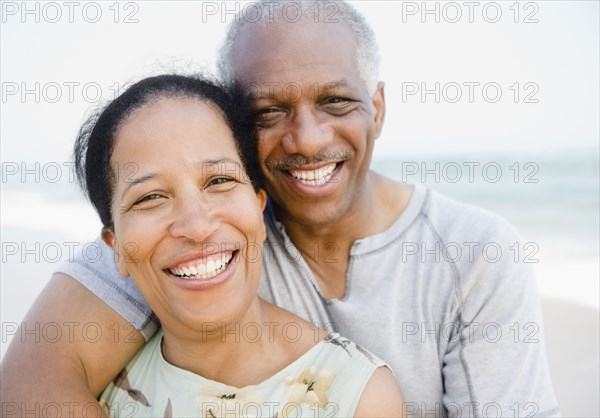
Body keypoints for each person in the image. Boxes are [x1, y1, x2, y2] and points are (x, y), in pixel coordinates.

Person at [1, 1, 559, 417]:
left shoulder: (475, 254)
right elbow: (30, 388)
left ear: (378, 108)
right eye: (269, 111)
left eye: (336, 101)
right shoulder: (202, 238)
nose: (308, 140)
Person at [76, 73, 405, 417]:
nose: (197, 226)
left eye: (220, 180)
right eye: (151, 197)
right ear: (116, 247)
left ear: (259, 207)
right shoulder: (90, 391)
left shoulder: (357, 396)